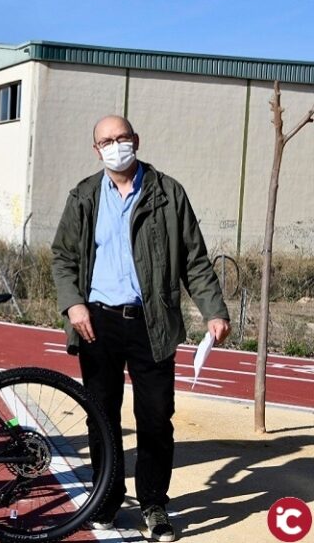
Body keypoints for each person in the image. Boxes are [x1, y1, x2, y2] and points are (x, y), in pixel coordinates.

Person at [51, 115, 231, 542]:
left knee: (154, 418)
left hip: (152, 322)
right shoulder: (84, 196)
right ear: (96, 149)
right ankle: (106, 500)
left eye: (122, 138)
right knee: (102, 418)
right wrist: (73, 304)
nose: (116, 146)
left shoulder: (168, 193)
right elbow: (63, 257)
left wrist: (214, 310)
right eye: (106, 141)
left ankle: (153, 504)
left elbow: (195, 260)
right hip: (96, 321)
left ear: (137, 140)